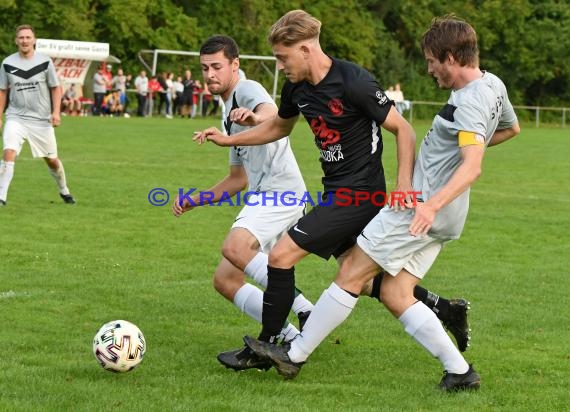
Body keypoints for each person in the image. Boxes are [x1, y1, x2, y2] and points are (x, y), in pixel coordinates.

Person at [244, 15, 520, 391]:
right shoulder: (493, 84)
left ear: (451, 57)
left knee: (350, 274)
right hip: (449, 215)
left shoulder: (470, 102)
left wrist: (430, 203)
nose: (429, 69)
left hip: (419, 207)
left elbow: (472, 167)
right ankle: (460, 372)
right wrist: (462, 153)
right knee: (393, 292)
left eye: (432, 61)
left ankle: (293, 356)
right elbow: (509, 129)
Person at [195, 10, 472, 369]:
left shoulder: (352, 80)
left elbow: (403, 129)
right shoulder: (297, 88)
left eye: (283, 57)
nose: (280, 66)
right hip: (334, 192)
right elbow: (279, 126)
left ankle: (266, 346)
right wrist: (231, 139)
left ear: (307, 49)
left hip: (359, 194)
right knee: (371, 282)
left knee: (280, 256)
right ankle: (444, 311)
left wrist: (403, 184)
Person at [173, 35, 314, 369]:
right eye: (204, 68)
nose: (209, 74)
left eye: (217, 66)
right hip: (265, 196)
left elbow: (272, 114)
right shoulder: (226, 114)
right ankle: (289, 339)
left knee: (235, 248)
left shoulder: (246, 89)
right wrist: (196, 200)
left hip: (281, 193)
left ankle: (309, 311)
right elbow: (238, 180)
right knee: (226, 280)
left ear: (235, 65)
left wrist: (253, 118)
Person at [0, 24, 76, 206]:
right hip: (15, 117)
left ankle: (64, 190)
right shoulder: (7, 63)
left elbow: (56, 88)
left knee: (51, 160)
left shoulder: (45, 61)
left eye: (28, 37)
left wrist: (56, 112)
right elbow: (2, 90)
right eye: (21, 38)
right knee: (8, 152)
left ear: (34, 40)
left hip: (41, 120)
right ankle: (1, 196)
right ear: (16, 41)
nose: (24, 41)